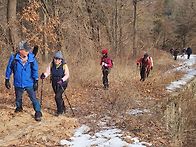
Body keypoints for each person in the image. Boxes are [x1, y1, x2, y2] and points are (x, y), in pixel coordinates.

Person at [5, 41, 42, 121]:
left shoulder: (31, 58)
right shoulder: (14, 57)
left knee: (33, 98)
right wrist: (7, 79)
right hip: (18, 82)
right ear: (20, 50)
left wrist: (36, 81)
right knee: (18, 97)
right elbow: (9, 68)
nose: (28, 51)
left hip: (29, 82)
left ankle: (38, 112)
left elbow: (35, 70)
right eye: (26, 50)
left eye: (28, 50)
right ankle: (19, 107)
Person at [40, 50, 69, 116]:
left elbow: (67, 75)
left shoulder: (64, 65)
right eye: (55, 58)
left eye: (58, 59)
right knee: (59, 96)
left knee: (57, 96)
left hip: (63, 83)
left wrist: (62, 80)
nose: (56, 60)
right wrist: (44, 75)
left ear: (61, 60)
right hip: (54, 83)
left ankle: (60, 111)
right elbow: (48, 72)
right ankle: (63, 108)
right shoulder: (51, 64)